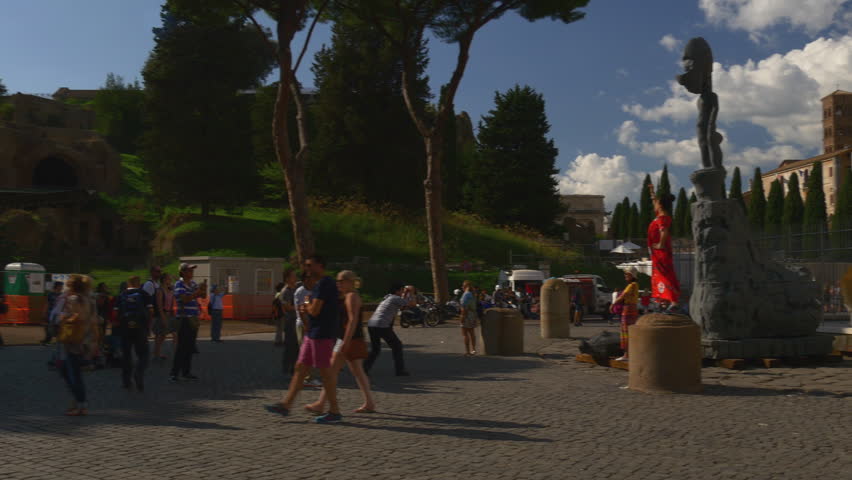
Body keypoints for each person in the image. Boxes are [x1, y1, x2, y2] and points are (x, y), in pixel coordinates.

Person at [266, 255, 343, 423]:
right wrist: (308, 306)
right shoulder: (319, 284)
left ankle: (335, 411)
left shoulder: (324, 283)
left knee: (325, 372)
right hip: (313, 332)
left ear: (320, 266)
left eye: (310, 265)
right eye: (306, 266)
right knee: (300, 368)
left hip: (322, 333)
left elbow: (315, 310)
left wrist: (306, 305)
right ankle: (286, 404)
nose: (306, 269)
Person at [306, 270, 376, 415]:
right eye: (337, 281)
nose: (338, 284)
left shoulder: (351, 296)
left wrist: (345, 341)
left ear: (349, 282)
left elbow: (352, 320)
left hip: (347, 339)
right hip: (349, 339)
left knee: (332, 371)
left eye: (341, 281)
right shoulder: (348, 296)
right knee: (357, 372)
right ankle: (369, 403)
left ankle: (320, 404)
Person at [56, 275, 99, 416]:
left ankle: (81, 404)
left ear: (72, 286)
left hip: (73, 339)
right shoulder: (90, 300)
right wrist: (95, 341)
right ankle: (78, 401)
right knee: (68, 370)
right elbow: (94, 321)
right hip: (86, 339)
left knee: (73, 373)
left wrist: (64, 318)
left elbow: (74, 317)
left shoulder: (73, 299)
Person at [364, 283, 414, 376]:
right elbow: (411, 304)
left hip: (372, 324)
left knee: (375, 349)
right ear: (397, 291)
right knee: (397, 346)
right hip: (381, 325)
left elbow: (402, 307)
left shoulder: (387, 297)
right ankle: (400, 370)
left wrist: (406, 294)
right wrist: (411, 292)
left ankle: (364, 368)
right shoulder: (395, 298)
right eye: (402, 290)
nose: (403, 292)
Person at [647, 182, 681, 313]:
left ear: (660, 205)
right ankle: (664, 302)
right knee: (659, 275)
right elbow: (654, 201)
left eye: (657, 203)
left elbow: (664, 231)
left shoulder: (663, 218)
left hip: (661, 252)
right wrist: (652, 192)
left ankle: (673, 301)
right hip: (657, 253)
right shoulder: (660, 215)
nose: (654, 204)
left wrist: (660, 244)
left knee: (665, 275)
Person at [115, 276, 153, 391]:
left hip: (125, 328)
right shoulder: (144, 294)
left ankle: (126, 381)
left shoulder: (121, 295)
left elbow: (115, 313)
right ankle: (138, 373)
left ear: (128, 283)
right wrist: (147, 325)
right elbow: (151, 311)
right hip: (140, 328)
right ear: (139, 283)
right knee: (143, 354)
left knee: (126, 355)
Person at [170, 263, 206, 382]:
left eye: (192, 270)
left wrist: (203, 289)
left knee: (190, 346)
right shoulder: (179, 284)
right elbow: (183, 299)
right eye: (189, 270)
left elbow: (203, 296)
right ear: (183, 272)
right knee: (182, 346)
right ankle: (174, 373)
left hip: (193, 318)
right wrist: (197, 293)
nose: (192, 272)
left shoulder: (193, 284)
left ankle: (186, 372)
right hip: (184, 318)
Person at [294, 271, 322, 387]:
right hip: (303, 325)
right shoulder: (301, 291)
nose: (313, 280)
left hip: (313, 325)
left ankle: (307, 376)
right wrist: (307, 326)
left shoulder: (314, 290)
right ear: (304, 279)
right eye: (309, 278)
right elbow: (302, 310)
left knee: (312, 352)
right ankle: (308, 378)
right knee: (307, 352)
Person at [611, 267, 640, 362]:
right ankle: (630, 353)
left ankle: (626, 355)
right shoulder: (635, 285)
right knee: (630, 331)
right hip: (633, 309)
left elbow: (623, 296)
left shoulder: (632, 285)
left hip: (628, 310)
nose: (625, 275)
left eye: (627, 274)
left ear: (631, 275)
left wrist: (613, 304)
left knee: (625, 332)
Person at [143, 266, 167, 356]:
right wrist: (150, 314)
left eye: (160, 271)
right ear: (152, 272)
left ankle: (156, 352)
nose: (160, 273)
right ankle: (146, 354)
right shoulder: (149, 284)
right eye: (158, 271)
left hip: (157, 314)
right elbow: (145, 299)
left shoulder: (156, 284)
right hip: (151, 314)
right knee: (150, 334)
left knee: (160, 333)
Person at [152, 273, 176, 360]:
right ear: (164, 280)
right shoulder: (160, 291)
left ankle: (157, 353)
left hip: (169, 314)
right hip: (161, 315)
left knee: (165, 335)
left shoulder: (170, 289)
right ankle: (156, 354)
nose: (170, 280)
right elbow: (159, 306)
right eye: (169, 279)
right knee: (160, 335)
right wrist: (163, 318)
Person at [280, 269, 299, 375]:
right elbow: (287, 307)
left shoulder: (297, 288)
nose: (295, 278)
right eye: (293, 276)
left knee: (297, 346)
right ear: (287, 278)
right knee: (290, 346)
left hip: (298, 320)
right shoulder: (285, 291)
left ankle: (294, 368)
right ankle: (287, 369)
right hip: (290, 321)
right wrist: (300, 307)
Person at [41, 281, 64, 345]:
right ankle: (47, 339)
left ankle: (58, 340)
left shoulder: (62, 295)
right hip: (50, 312)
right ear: (57, 286)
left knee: (57, 326)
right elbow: (47, 303)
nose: (61, 287)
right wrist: (44, 312)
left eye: (62, 286)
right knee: (47, 326)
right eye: (61, 286)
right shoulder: (50, 294)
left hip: (58, 313)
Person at [459, 281, 478, 355]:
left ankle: (467, 351)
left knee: (465, 334)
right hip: (473, 314)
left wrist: (462, 317)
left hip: (466, 315)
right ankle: (473, 349)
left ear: (465, 286)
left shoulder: (466, 294)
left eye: (462, 285)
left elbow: (464, 307)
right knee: (472, 333)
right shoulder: (473, 294)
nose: (462, 287)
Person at [272, 281, 287, 346]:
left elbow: (274, 305)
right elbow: (279, 305)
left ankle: (278, 341)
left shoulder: (277, 294)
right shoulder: (280, 294)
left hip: (278, 313)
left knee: (279, 328)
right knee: (280, 328)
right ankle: (278, 341)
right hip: (280, 314)